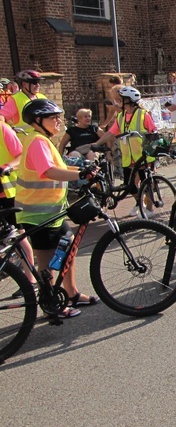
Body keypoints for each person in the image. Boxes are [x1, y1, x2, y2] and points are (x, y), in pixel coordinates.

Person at [15, 99, 101, 318]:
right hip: (37, 213)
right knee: (45, 263)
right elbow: (49, 172)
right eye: (53, 118)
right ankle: (51, 305)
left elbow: (59, 167)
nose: (58, 122)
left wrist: (85, 168)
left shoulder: (43, 139)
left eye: (59, 118)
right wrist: (80, 175)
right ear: (38, 120)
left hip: (52, 211)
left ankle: (71, 293)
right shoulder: (37, 141)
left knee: (68, 247)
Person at [95, 86, 158, 218]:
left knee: (147, 183)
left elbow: (153, 133)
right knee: (130, 186)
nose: (118, 102)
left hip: (142, 156)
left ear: (129, 100)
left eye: (120, 99)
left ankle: (150, 209)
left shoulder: (143, 114)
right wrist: (96, 144)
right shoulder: (121, 116)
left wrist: (152, 155)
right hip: (128, 157)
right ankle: (139, 203)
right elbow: (111, 132)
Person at [0, 115, 37, 292]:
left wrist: (6, 167)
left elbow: (21, 155)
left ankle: (30, 282)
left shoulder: (3, 129)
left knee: (18, 237)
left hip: (8, 193)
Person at [1, 70, 47, 143]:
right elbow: (2, 116)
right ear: (24, 84)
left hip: (42, 139)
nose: (38, 85)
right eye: (34, 82)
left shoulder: (42, 98)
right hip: (24, 141)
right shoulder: (16, 99)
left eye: (38, 82)